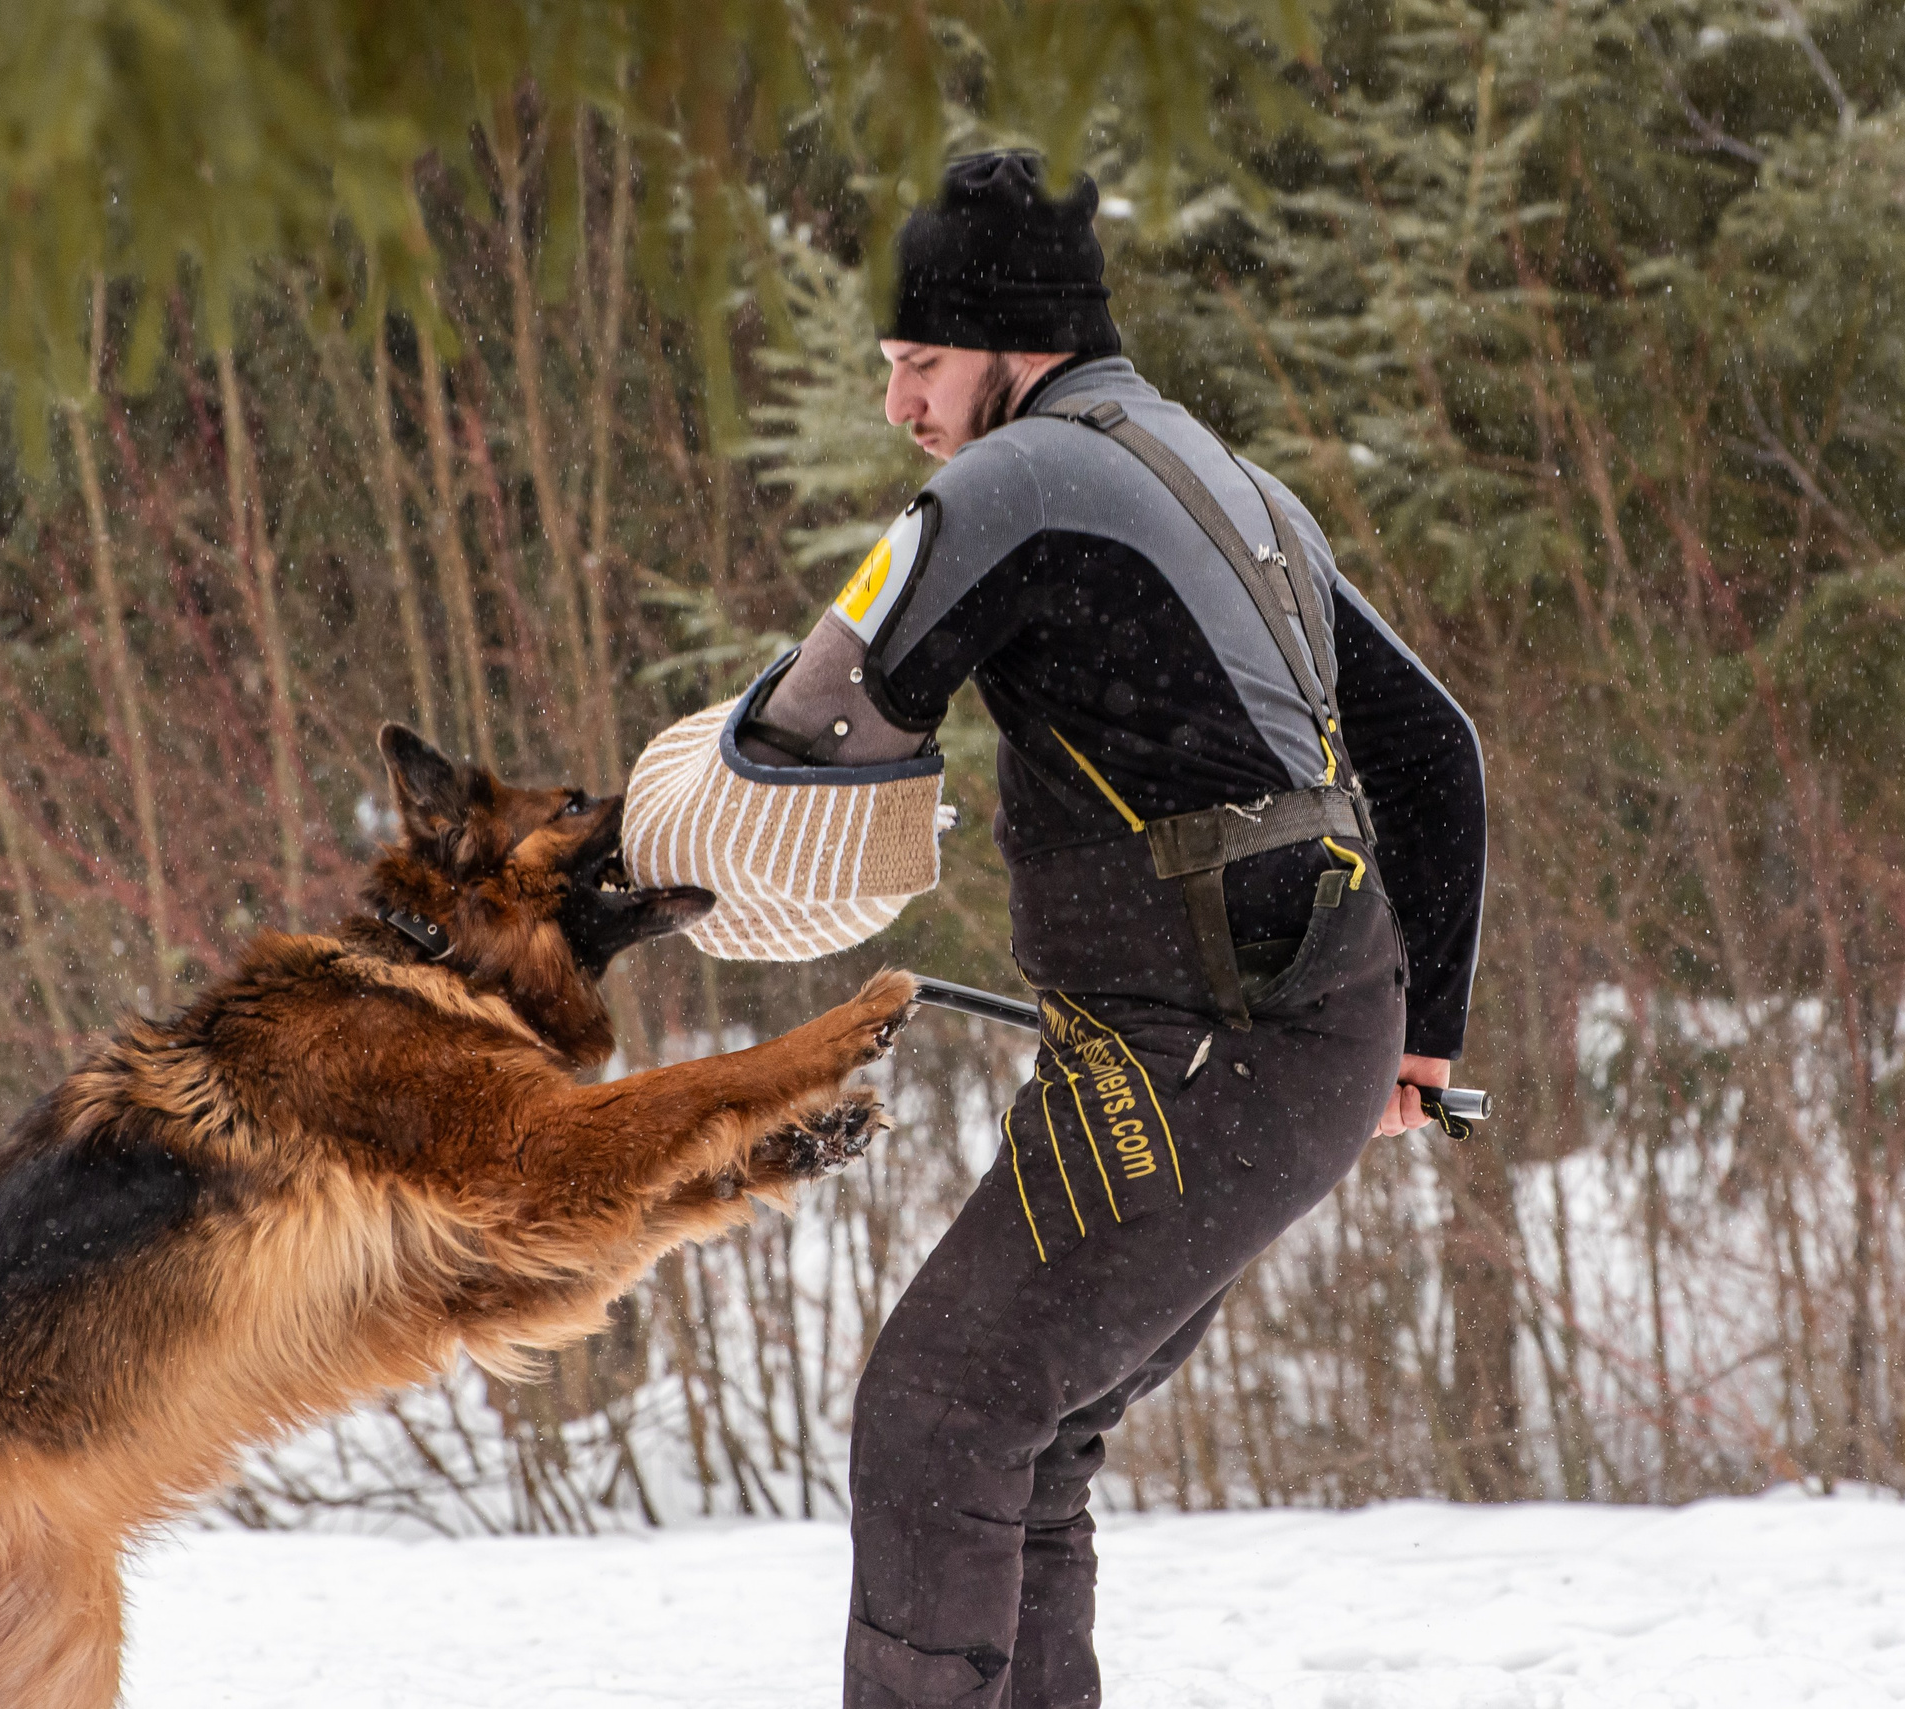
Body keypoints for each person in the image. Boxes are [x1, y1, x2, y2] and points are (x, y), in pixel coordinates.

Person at [747, 151, 1486, 1709]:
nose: (903, 407)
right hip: (1272, 1029)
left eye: (921, 365)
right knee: (1025, 1430)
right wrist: (1416, 1039)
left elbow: (807, 728)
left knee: (942, 1418)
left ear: (1016, 344)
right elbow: (1433, 754)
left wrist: (651, 841)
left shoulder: (1017, 478)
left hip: (1217, 1035)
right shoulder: (1232, 479)